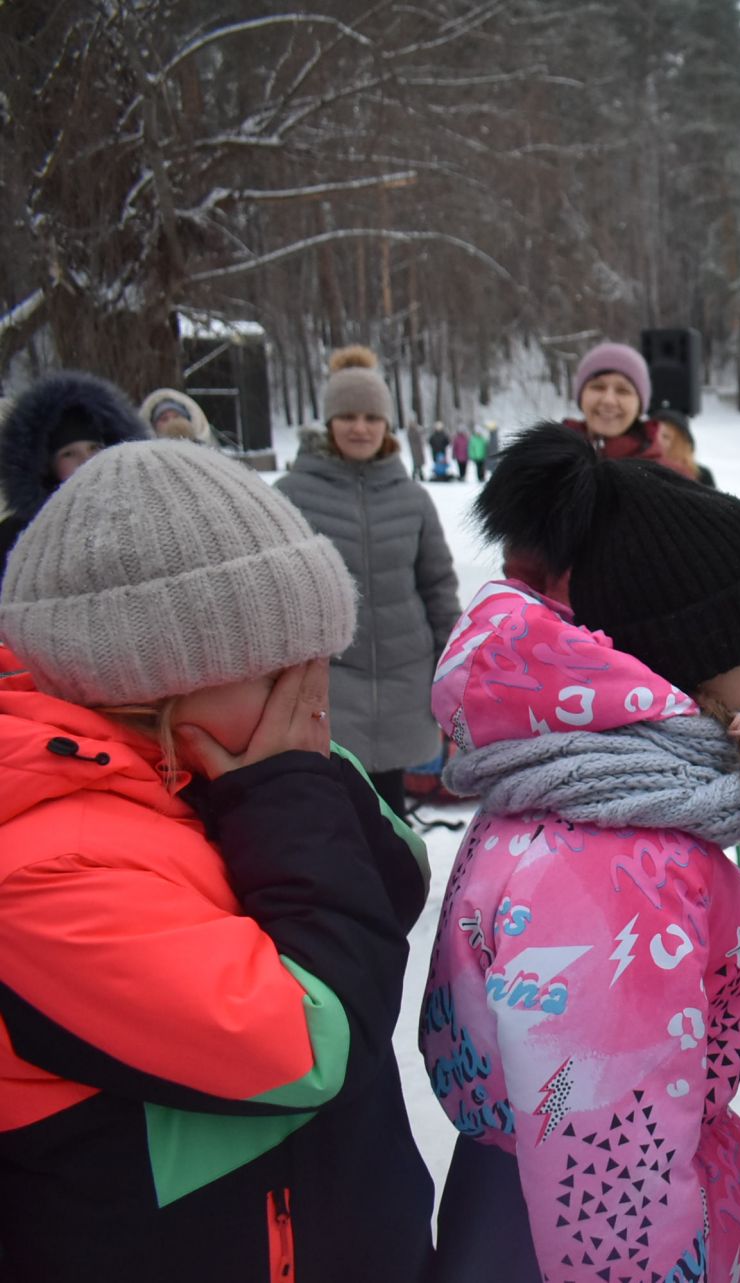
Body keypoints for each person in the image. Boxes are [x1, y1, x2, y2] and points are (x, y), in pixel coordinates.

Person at [0, 440, 435, 1281]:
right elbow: (314, 1041)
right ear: (151, 681)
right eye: (280, 670)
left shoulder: (211, 776)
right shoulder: (39, 870)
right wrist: (284, 788)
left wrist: (296, 777)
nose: (311, 694)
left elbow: (393, 884)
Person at [419, 424, 740, 1283]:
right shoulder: (619, 865)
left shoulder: (601, 789)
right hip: (569, 1239)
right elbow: (604, 1163)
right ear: (692, 659)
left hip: (529, 1200)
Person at [275, 346, 461, 817]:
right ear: (329, 422)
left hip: (405, 676)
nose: (361, 428)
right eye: (348, 416)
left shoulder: (412, 498)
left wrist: (453, 664)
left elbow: (437, 586)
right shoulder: (290, 495)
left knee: (392, 817)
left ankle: (398, 888)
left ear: (386, 425)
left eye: (372, 417)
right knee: (334, 814)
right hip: (328, 683)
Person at [0, 371, 151, 574]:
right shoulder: (19, 535)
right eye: (69, 454)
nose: (85, 461)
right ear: (46, 465)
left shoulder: (138, 517)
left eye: (94, 448)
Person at [563, 341, 688, 480]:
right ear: (580, 397)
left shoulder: (672, 479)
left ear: (639, 406)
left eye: (623, 391)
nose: (608, 400)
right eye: (597, 387)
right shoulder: (547, 462)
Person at [649, 407, 713, 486]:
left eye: (666, 436)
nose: (657, 440)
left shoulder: (702, 475)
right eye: (653, 434)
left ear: (681, 442)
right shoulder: (643, 469)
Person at [138, 386, 215, 443]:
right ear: (153, 426)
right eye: (164, 419)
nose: (171, 421)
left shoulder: (207, 451)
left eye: (177, 416)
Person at [406, 416, 428, 481]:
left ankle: (420, 476)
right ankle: (418, 476)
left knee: (418, 464)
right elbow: (415, 438)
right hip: (415, 450)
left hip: (418, 449)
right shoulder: (411, 431)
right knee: (416, 464)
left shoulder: (414, 431)